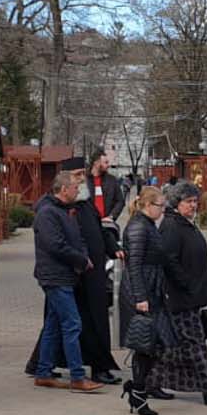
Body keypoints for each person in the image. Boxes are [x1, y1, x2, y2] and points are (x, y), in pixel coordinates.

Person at [153, 180, 207, 404]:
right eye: (188, 202)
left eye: (195, 201)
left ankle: (150, 381)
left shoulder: (185, 223)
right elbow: (168, 260)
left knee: (176, 346)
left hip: (190, 295)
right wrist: (185, 283)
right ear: (177, 203)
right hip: (181, 297)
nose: (193, 206)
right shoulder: (172, 226)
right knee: (195, 343)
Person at [32, 170, 103, 394]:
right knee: (72, 323)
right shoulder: (47, 213)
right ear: (63, 190)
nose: (78, 190)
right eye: (74, 187)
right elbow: (55, 245)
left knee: (54, 324)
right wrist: (80, 259)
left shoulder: (65, 211)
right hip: (55, 276)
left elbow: (77, 237)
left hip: (65, 274)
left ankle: (43, 372)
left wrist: (83, 255)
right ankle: (77, 376)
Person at [67, 152, 122, 384]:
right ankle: (96, 367)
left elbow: (98, 228)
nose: (82, 179)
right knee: (82, 321)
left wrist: (113, 248)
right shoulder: (63, 207)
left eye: (82, 174)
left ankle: (100, 364)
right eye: (77, 175)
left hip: (95, 270)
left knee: (95, 318)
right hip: (79, 272)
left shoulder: (86, 202)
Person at [118, 187, 169, 415]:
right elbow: (134, 265)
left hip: (151, 290)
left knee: (150, 345)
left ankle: (138, 391)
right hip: (142, 292)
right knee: (145, 346)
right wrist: (141, 298)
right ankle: (138, 394)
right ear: (148, 205)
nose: (163, 210)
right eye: (160, 206)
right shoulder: (139, 226)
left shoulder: (147, 225)